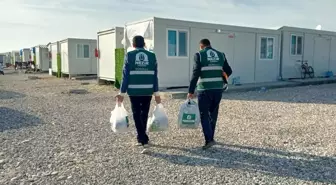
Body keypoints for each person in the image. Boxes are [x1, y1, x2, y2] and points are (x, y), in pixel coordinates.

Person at [115, 35, 161, 154]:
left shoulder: (129, 56)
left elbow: (125, 75)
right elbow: (155, 75)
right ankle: (142, 137)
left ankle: (142, 138)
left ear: (133, 45)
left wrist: (121, 93)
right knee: (144, 113)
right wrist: (156, 93)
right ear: (144, 43)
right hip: (147, 91)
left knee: (136, 113)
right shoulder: (152, 56)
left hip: (134, 91)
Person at [187, 38, 232, 150]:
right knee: (213, 114)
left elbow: (195, 73)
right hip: (218, 89)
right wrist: (221, 77)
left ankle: (209, 140)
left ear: (201, 46)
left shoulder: (199, 55)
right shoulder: (221, 54)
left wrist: (191, 91)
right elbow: (229, 70)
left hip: (204, 89)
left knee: (204, 114)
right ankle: (211, 137)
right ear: (210, 45)